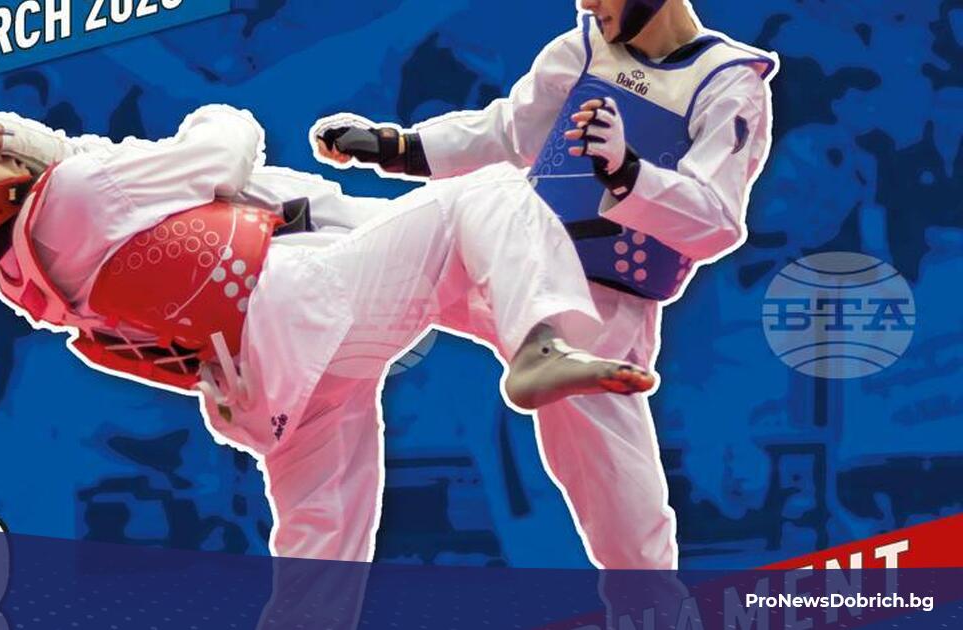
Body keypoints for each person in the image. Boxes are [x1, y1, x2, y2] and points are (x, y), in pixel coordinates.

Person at [0, 104, 655, 563]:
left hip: (263, 383)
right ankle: (544, 348)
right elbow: (223, 150)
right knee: (491, 197)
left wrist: (60, 155)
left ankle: (563, 344)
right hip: (306, 294)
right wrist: (83, 149)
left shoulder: (25, 277)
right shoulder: (76, 194)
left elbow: (135, 212)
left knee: (322, 544)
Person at [313, 0, 778, 569]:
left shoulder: (726, 84)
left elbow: (716, 221)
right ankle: (300, 226)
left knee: (617, 500)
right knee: (434, 221)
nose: (586, 2)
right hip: (508, 254)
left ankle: (650, 600)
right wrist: (400, 147)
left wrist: (627, 172)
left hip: (596, 304)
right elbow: (509, 133)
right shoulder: (584, 46)